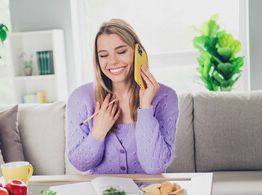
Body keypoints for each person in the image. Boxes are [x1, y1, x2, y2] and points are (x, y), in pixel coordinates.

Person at [67, 19, 179, 174]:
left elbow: (154, 166)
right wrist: (98, 132)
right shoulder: (80, 98)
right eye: (104, 55)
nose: (113, 61)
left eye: (121, 52)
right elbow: (80, 164)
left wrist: (145, 107)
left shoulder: (165, 97)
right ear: (97, 61)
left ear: (138, 53)